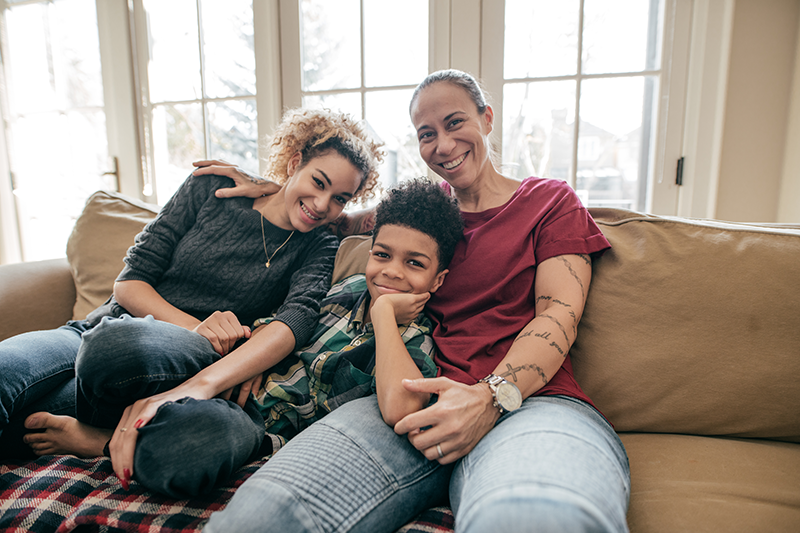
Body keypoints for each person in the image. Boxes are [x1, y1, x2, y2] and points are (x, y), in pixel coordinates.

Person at [200, 69, 630, 533]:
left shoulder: (548, 201)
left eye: (455, 123)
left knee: (537, 518)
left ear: (487, 119)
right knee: (260, 518)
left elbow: (558, 314)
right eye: (427, 134)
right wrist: (268, 186)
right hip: (406, 398)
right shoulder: (421, 213)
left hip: (529, 402)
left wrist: (488, 398)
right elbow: (331, 215)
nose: (442, 145)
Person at [0, 108, 384, 498]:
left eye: (339, 198)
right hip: (104, 330)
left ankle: (99, 438)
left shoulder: (319, 244)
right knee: (13, 375)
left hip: (185, 363)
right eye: (317, 182)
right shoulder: (211, 188)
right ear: (295, 161)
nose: (321, 204)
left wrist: (213, 348)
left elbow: (296, 319)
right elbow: (130, 283)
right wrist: (197, 328)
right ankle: (106, 426)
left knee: (59, 405)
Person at [254, 178, 463, 453]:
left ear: (437, 280)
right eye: (382, 255)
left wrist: (384, 313)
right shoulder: (345, 289)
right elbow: (276, 324)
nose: (392, 271)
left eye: (414, 263)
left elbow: (401, 410)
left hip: (273, 439)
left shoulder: (416, 339)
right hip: (250, 402)